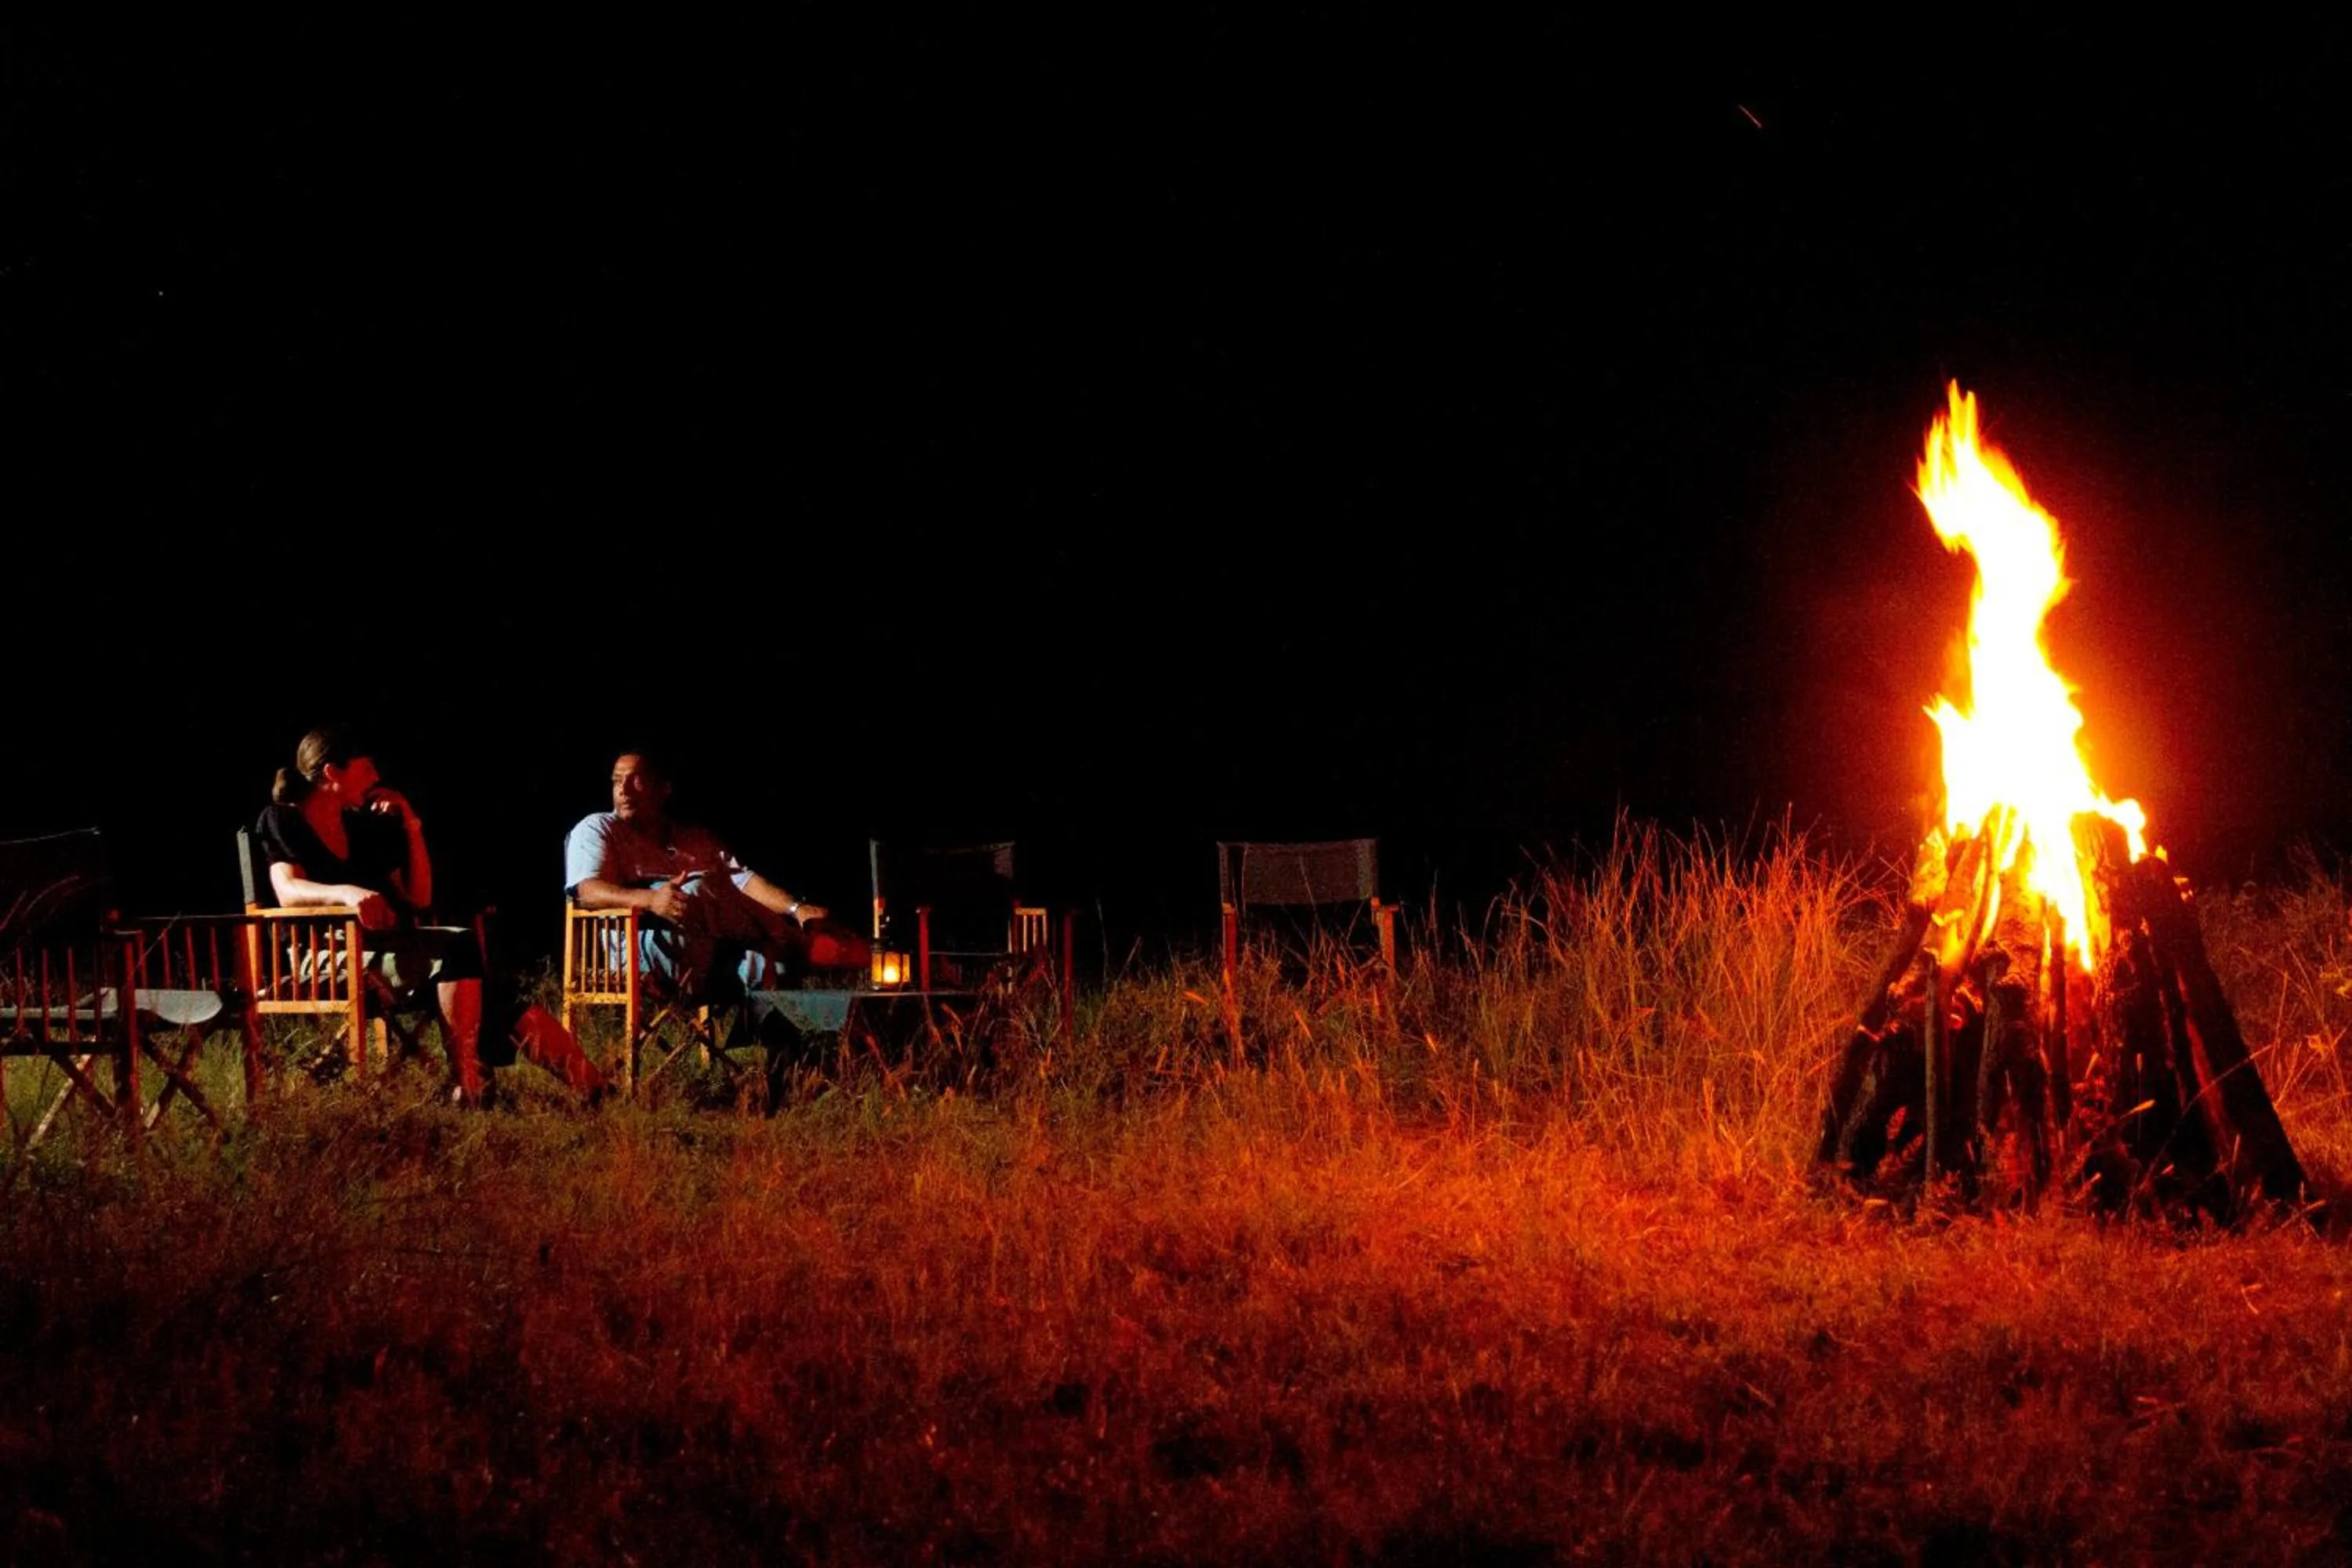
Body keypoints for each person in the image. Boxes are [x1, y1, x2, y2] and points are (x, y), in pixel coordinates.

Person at [259, 727, 608, 1106]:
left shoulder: (362, 828)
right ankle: (470, 1082)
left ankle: (595, 1091)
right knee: (462, 954)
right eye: (367, 768)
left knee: (494, 994)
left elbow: (420, 896)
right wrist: (344, 893)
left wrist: (410, 824)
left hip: (388, 956)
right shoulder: (283, 820)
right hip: (325, 956)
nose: (376, 778)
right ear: (332, 772)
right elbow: (288, 892)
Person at [564, 750, 869, 1003]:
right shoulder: (597, 829)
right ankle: (807, 946)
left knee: (771, 966)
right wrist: (651, 899)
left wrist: (796, 909)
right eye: (617, 781)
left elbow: (742, 882)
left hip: (711, 955)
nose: (623, 789)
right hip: (645, 956)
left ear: (664, 789)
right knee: (700, 886)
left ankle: (780, 1070)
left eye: (636, 780)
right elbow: (586, 891)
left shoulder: (693, 838)